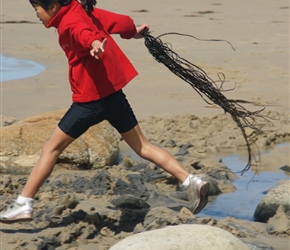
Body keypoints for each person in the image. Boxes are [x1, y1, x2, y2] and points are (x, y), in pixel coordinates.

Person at [0, 0, 210, 223]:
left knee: (51, 148)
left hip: (89, 103)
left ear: (52, 6)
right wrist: (133, 31)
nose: (37, 15)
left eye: (37, 9)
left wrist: (92, 43)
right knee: (143, 146)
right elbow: (118, 21)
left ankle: (24, 204)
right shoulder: (81, 10)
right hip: (113, 96)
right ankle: (191, 182)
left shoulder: (69, 22)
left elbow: (81, 32)